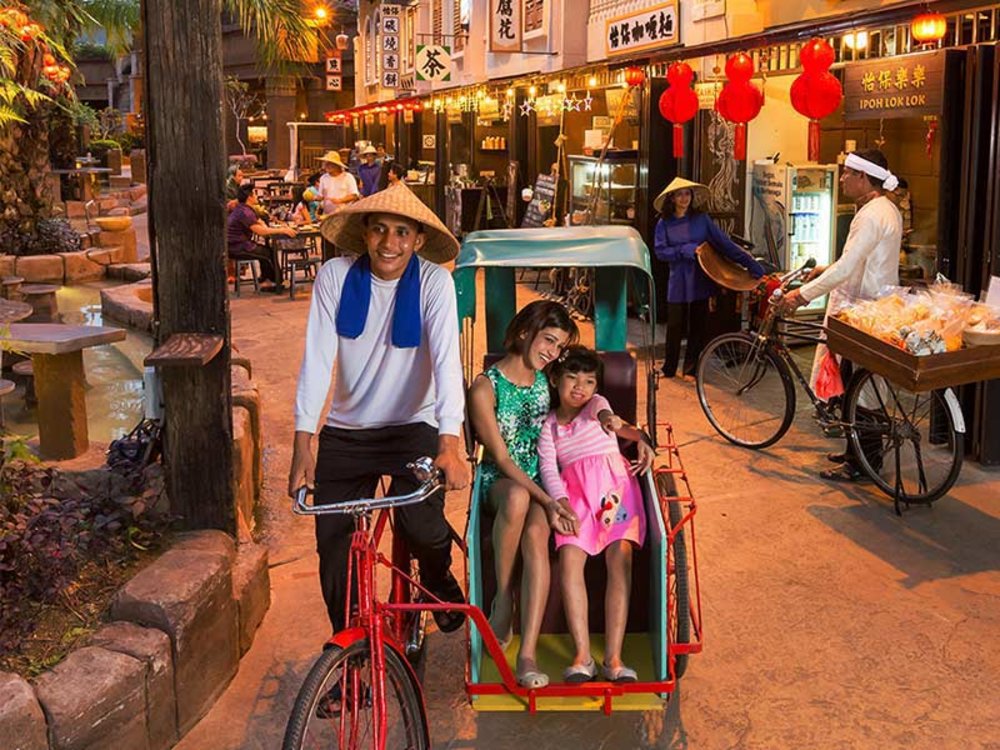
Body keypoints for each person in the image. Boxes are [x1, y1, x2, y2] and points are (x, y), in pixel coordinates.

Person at [289, 181, 469, 638]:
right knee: (334, 545)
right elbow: (316, 360)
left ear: (419, 239)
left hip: (414, 425)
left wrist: (450, 440)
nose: (390, 244)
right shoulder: (335, 277)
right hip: (349, 431)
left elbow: (449, 362)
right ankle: (351, 649)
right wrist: (302, 443)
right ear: (365, 233)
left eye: (402, 233)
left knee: (424, 527)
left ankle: (435, 578)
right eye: (380, 231)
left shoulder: (435, 282)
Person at [467, 300, 581, 689]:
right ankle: (502, 601)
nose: (552, 352)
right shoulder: (486, 386)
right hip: (501, 482)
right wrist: (546, 499)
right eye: (548, 340)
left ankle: (527, 653)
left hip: (543, 480)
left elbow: (584, 402)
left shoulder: (549, 382)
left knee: (537, 534)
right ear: (522, 333)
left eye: (559, 346)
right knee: (517, 497)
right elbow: (499, 456)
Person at [781, 148, 902, 482]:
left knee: (862, 390)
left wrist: (801, 295)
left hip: (861, 312)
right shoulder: (886, 209)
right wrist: (823, 269)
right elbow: (858, 262)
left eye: (848, 174)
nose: (844, 179)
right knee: (859, 387)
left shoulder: (869, 215)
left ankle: (863, 464)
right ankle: (857, 452)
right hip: (874, 307)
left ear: (863, 178)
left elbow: (849, 268)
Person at [537, 346, 654, 683]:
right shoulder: (550, 426)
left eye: (589, 381)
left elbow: (612, 421)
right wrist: (560, 502)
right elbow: (548, 466)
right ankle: (583, 655)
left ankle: (613, 658)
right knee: (571, 561)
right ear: (556, 379)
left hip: (614, 493)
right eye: (572, 378)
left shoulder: (596, 406)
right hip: (574, 499)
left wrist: (627, 429)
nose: (580, 387)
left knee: (621, 558)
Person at [653, 177, 765, 380]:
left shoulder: (702, 219)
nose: (684, 198)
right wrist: (684, 250)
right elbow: (661, 252)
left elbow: (724, 244)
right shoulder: (664, 223)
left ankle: (691, 368)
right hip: (678, 280)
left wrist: (751, 264)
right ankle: (669, 368)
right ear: (672, 198)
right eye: (680, 194)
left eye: (688, 194)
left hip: (701, 277)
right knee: (675, 325)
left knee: (698, 324)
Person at [226, 183, 295, 291]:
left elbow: (259, 221)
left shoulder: (244, 208)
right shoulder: (245, 212)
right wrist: (283, 230)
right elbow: (261, 232)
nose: (257, 197)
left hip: (237, 244)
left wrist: (267, 225)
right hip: (237, 247)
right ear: (249, 197)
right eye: (255, 194)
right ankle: (275, 283)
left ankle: (267, 279)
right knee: (268, 253)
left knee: (267, 250)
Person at [317, 150, 360, 216]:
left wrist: (340, 200)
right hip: (327, 215)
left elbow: (354, 195)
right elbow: (320, 196)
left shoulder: (348, 177)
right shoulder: (323, 178)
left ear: (336, 165)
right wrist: (314, 198)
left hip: (344, 214)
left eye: (329, 163)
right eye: (326, 163)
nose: (326, 166)